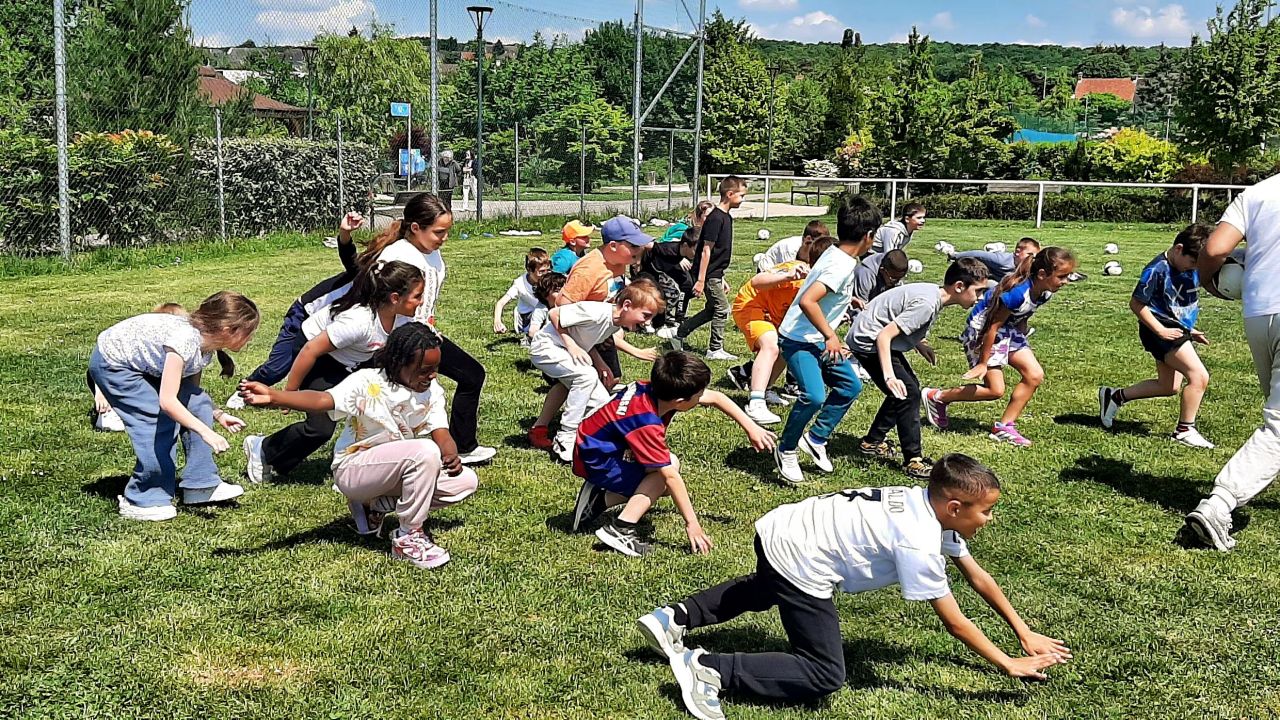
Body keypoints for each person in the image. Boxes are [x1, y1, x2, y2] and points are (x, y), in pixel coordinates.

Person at [635, 454, 1070, 720]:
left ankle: (672, 618)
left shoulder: (925, 504)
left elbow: (977, 575)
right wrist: (1006, 664)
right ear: (954, 507)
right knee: (824, 673)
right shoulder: (918, 539)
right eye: (986, 512)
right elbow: (955, 622)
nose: (989, 520)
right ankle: (709, 669)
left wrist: (1023, 632)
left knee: (768, 587)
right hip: (801, 554)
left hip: (783, 527)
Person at [239, 323, 477, 569]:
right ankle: (408, 537)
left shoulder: (431, 391)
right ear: (398, 363)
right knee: (425, 451)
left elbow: (440, 431)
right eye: (424, 370)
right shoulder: (367, 381)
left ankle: (376, 505)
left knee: (466, 481)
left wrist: (450, 453)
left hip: (396, 470)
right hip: (354, 470)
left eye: (435, 369)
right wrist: (275, 396)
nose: (432, 375)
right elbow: (322, 399)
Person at [570, 351, 775, 557]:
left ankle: (599, 500)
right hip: (598, 458)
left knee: (667, 470)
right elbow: (670, 477)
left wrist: (751, 428)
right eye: (698, 395)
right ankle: (621, 528)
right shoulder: (645, 422)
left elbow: (716, 397)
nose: (702, 397)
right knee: (665, 475)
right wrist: (692, 523)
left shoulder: (654, 391)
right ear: (680, 401)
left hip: (598, 446)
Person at [243, 260, 425, 482]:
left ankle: (370, 457)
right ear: (395, 298)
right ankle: (263, 448)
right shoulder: (358, 322)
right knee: (320, 428)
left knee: (379, 404)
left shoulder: (402, 317)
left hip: (355, 360)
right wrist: (289, 394)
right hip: (319, 359)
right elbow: (310, 350)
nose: (421, 301)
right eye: (417, 296)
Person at [89, 291, 260, 521]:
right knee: (156, 420)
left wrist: (217, 414)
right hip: (113, 364)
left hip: (141, 365)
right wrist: (206, 432)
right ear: (228, 330)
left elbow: (189, 396)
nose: (250, 339)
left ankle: (201, 483)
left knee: (198, 403)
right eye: (249, 333)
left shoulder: (205, 347)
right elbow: (168, 402)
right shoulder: (184, 342)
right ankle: (142, 498)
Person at [356, 192, 496, 465]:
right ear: (416, 228)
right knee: (396, 398)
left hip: (422, 334)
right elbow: (385, 304)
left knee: (470, 375)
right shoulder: (398, 255)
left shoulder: (430, 251)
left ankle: (463, 446)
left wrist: (428, 325)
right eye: (438, 232)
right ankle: (374, 458)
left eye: (446, 231)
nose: (444, 238)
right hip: (400, 340)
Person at [1185, 172, 1280, 551]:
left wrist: (1208, 281)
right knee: (1279, 425)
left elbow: (1214, 249)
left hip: (1259, 313)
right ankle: (1219, 505)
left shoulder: (1258, 192)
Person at [846, 258, 990, 479]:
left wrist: (919, 343)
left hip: (873, 337)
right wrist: (889, 376)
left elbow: (899, 318)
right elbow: (884, 336)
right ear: (959, 286)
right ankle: (913, 460)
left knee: (906, 390)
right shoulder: (927, 304)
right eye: (978, 291)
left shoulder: (933, 295)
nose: (980, 297)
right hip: (868, 341)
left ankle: (872, 442)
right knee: (908, 393)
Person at [771, 196, 881, 485]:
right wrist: (831, 336)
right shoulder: (841, 265)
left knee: (850, 385)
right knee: (814, 396)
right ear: (869, 236)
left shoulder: (838, 254)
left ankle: (816, 438)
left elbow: (822, 288)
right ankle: (786, 449)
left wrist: (845, 299)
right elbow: (808, 300)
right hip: (799, 339)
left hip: (815, 338)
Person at [921, 247, 1078, 447]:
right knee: (995, 390)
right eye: (1062, 276)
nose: (1065, 282)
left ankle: (1005, 427)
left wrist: (1022, 328)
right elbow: (991, 327)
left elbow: (1024, 313)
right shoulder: (1017, 293)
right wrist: (983, 363)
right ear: (1041, 274)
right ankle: (938, 397)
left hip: (1008, 330)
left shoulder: (1044, 293)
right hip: (983, 332)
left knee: (1034, 375)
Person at [226, 211, 365, 409]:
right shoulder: (368, 273)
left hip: (332, 327)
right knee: (277, 368)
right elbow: (349, 256)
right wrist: (345, 233)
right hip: (304, 315)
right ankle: (246, 390)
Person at [1099, 224, 1214, 449]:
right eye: (1192, 262)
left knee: (1168, 386)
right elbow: (1136, 304)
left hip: (1175, 329)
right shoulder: (1156, 269)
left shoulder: (1186, 267)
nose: (1194, 268)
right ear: (1179, 249)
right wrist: (1160, 330)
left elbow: (1176, 305)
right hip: (1159, 330)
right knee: (1199, 376)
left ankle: (1114, 397)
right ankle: (1184, 430)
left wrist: (1190, 330)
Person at [530, 281, 665, 463]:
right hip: (546, 347)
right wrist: (571, 345)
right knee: (586, 376)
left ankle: (591, 442)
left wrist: (600, 364)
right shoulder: (597, 311)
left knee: (602, 404)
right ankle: (566, 435)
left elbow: (587, 339)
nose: (647, 322)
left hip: (564, 351)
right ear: (627, 305)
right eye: (645, 315)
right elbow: (555, 314)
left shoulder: (614, 324)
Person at [727, 236, 834, 426]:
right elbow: (757, 280)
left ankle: (766, 389)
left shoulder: (824, 282)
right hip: (751, 305)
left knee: (786, 347)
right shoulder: (798, 269)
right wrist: (787, 275)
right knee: (770, 345)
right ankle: (755, 402)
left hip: (774, 315)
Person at [666, 176, 747, 361]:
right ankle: (715, 349)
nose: (743, 199)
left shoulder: (725, 217)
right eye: (741, 195)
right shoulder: (716, 218)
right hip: (708, 274)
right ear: (730, 194)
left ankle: (678, 334)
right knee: (722, 309)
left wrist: (721, 277)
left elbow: (717, 254)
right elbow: (705, 250)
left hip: (714, 273)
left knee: (712, 310)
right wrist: (701, 280)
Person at [640, 229, 699, 332]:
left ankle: (679, 317)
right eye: (695, 250)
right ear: (685, 245)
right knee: (667, 293)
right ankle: (655, 323)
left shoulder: (685, 253)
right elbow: (646, 245)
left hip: (667, 268)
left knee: (688, 285)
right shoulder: (668, 249)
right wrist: (636, 262)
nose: (697, 253)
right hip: (649, 269)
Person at [493, 248, 552, 341]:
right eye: (541, 271)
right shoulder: (520, 284)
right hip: (529, 317)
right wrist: (497, 322)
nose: (546, 275)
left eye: (547, 270)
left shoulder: (549, 279)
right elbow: (500, 303)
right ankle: (524, 327)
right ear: (529, 270)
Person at [950, 237, 1041, 285]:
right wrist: (956, 256)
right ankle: (994, 250)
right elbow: (979, 254)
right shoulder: (1002, 261)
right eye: (1030, 254)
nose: (1032, 259)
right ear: (1017, 252)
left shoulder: (1030, 265)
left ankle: (996, 249)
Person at [754, 220, 829, 272]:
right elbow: (789, 273)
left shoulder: (813, 247)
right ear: (808, 239)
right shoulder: (790, 248)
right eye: (820, 242)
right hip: (768, 272)